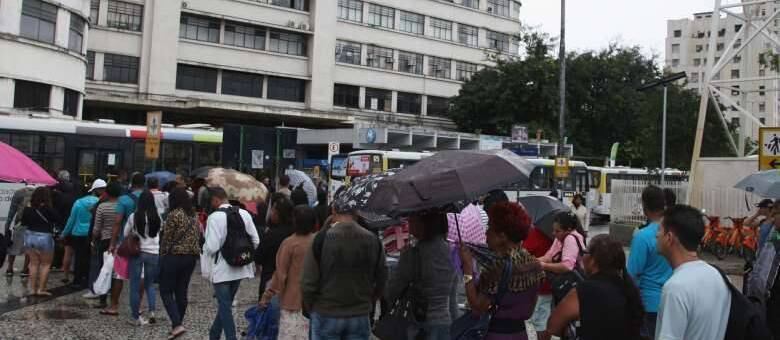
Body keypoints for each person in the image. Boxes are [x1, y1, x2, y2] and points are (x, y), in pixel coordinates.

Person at [301, 198, 387, 340]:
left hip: (326, 312)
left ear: (333, 210)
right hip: (359, 313)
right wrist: (370, 300)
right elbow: (382, 277)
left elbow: (308, 282)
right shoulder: (373, 239)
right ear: (356, 212)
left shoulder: (321, 239)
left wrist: (312, 307)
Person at [458, 202, 544, 339]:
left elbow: (477, 308)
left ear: (502, 236)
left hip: (495, 334)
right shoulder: (535, 265)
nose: (486, 233)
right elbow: (529, 311)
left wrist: (467, 268)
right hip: (520, 334)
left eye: (489, 228)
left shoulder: (496, 268)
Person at [541, 235, 644, 340]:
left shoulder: (584, 291)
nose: (582, 257)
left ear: (593, 260)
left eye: (585, 253)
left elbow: (553, 326)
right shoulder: (628, 288)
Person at [655, 205, 731, 340]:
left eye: (659, 230)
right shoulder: (720, 277)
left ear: (669, 237)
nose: (656, 235)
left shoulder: (675, 288)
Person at [386, 210, 456, 339]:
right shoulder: (452, 251)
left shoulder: (414, 254)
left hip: (419, 323)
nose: (409, 222)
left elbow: (396, 288)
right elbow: (453, 295)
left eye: (412, 219)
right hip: (445, 322)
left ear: (424, 223)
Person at [203, 187, 260, 340]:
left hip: (221, 269)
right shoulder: (244, 214)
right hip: (240, 267)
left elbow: (212, 247)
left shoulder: (214, 217)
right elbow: (256, 240)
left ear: (215, 199)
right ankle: (214, 334)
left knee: (225, 307)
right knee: (225, 306)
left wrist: (204, 247)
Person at [259, 205, 317, 340]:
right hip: (315, 301)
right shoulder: (317, 241)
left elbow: (280, 274)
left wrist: (267, 296)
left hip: (292, 301)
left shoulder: (289, 243)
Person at [626, 185, 673, 339]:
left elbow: (631, 274)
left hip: (648, 303)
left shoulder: (642, 236)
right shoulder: (674, 233)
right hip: (671, 301)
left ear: (644, 206)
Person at [159, 187, 202, 339]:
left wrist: (162, 255)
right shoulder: (193, 215)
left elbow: (167, 238)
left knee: (165, 290)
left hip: (174, 257)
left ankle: (177, 324)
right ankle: (177, 324)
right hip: (191, 258)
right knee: (181, 290)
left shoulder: (174, 214)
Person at [101, 173, 146, 316]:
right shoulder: (149, 198)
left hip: (125, 242)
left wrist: (112, 243)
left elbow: (117, 222)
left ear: (132, 183)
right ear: (144, 183)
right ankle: (138, 305)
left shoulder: (124, 199)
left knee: (118, 275)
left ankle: (114, 306)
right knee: (141, 275)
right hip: (144, 242)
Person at [123, 190, 161, 326]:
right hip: (153, 253)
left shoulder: (134, 216)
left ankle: (136, 318)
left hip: (137, 253)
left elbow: (125, 233)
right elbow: (160, 231)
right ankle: (152, 313)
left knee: (134, 286)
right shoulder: (157, 216)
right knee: (150, 285)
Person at [62, 179, 105, 288]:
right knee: (89, 257)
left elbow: (71, 219)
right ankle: (87, 279)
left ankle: (77, 280)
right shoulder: (100, 203)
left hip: (78, 233)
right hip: (92, 233)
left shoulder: (78, 202)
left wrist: (64, 233)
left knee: (78, 257)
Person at [21, 187, 61, 296]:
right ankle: (41, 289)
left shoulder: (28, 208)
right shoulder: (49, 208)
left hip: (30, 236)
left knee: (33, 264)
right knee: (45, 264)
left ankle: (32, 289)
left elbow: (23, 222)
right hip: (45, 237)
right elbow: (58, 219)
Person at [87, 182, 121, 305]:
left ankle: (103, 299)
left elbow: (97, 228)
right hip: (119, 241)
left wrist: (93, 240)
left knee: (104, 268)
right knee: (117, 271)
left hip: (105, 240)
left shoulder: (102, 207)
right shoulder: (122, 206)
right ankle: (115, 298)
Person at [255, 194, 295, 296]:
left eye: (273, 210)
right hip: (292, 281)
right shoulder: (296, 232)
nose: (271, 212)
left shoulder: (271, 234)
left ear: (278, 214)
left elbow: (258, 257)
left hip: (270, 278)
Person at [538, 212, 586, 294]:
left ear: (569, 230)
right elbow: (549, 256)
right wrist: (532, 261)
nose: (554, 233)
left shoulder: (570, 239)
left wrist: (544, 266)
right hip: (565, 283)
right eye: (553, 230)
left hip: (573, 286)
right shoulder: (560, 237)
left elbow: (567, 266)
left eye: (557, 231)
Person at [522, 226, 554, 338]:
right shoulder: (558, 233)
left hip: (540, 286)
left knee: (541, 322)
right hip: (557, 283)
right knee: (548, 319)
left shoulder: (535, 233)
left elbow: (523, 257)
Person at [4, 184, 34, 277]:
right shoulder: (38, 193)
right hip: (33, 225)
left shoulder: (19, 193)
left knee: (14, 246)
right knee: (29, 248)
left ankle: (10, 268)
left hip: (19, 223)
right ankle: (25, 270)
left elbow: (12, 211)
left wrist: (7, 225)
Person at [51, 170, 76, 283]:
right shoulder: (75, 199)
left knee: (64, 247)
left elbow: (56, 211)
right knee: (69, 249)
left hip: (61, 223)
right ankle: (68, 269)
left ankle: (60, 267)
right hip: (72, 225)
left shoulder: (57, 196)